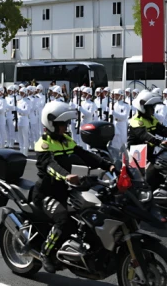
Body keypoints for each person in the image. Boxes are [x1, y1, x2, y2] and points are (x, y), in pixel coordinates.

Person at [34, 101, 116, 274]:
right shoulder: (44, 145)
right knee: (63, 218)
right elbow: (50, 166)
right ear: (52, 124)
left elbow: (84, 155)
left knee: (86, 214)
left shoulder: (66, 140)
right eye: (62, 124)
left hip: (65, 190)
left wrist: (107, 165)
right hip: (46, 193)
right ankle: (45, 253)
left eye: (66, 123)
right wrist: (66, 176)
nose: (65, 127)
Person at [127, 91, 167, 163]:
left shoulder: (151, 119)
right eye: (150, 107)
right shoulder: (135, 120)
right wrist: (160, 142)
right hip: (136, 157)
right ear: (143, 107)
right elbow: (145, 135)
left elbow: (163, 130)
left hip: (149, 153)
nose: (153, 110)